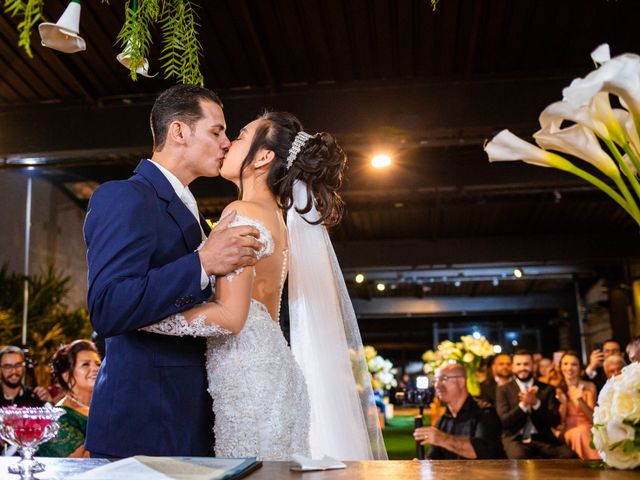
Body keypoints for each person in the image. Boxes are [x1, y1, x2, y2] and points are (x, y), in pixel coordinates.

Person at [145, 112, 387, 461]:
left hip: (250, 383)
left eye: (241, 136)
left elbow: (230, 318)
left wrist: (149, 317)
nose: (228, 142)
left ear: (263, 157)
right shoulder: (276, 217)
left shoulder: (242, 210)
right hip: (273, 371)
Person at [83, 85, 262, 458]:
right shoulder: (125, 196)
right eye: (217, 131)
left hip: (187, 419)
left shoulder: (190, 206)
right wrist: (203, 263)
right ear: (179, 132)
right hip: (146, 422)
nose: (227, 143)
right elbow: (108, 306)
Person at [413, 363, 505, 459]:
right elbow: (434, 457)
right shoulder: (444, 419)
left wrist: (443, 439)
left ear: (461, 381)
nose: (437, 385)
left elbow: (483, 452)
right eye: (435, 380)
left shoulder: (485, 413)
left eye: (443, 379)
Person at [496, 349, 575, 459]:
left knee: (569, 455)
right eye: (518, 364)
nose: (522, 368)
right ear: (513, 367)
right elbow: (504, 421)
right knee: (519, 459)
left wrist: (536, 403)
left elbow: (555, 421)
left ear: (533, 366)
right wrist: (523, 405)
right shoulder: (503, 390)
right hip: (516, 439)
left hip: (543, 439)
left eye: (526, 364)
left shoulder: (547, 389)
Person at [37, 340, 101, 458]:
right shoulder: (59, 420)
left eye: (98, 363)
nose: (96, 368)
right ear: (66, 376)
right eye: (86, 364)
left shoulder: (104, 407)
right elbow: (82, 464)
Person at [556, 351, 599, 460]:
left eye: (574, 364)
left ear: (580, 368)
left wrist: (580, 400)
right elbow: (558, 422)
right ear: (560, 367)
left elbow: (593, 418)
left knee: (583, 431)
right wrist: (564, 403)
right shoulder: (556, 388)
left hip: (589, 428)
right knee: (579, 433)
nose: (569, 368)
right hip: (568, 430)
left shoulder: (589, 386)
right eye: (565, 364)